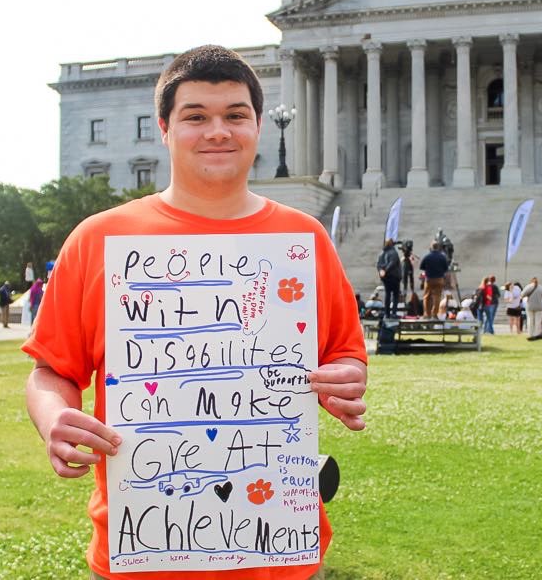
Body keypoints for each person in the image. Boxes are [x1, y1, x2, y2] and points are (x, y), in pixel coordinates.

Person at [22, 45, 367, 580]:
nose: (218, 132)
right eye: (195, 117)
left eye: (235, 115)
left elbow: (345, 353)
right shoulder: (97, 240)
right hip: (139, 552)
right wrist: (53, 420)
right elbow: (51, 371)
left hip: (280, 552)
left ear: (258, 124)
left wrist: (346, 379)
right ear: (164, 128)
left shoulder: (305, 240)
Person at [419, 242, 449, 319]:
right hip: (439, 279)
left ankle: (427, 314)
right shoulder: (442, 257)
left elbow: (422, 267)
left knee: (426, 296)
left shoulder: (427, 257)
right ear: (438, 247)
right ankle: (434, 314)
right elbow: (446, 268)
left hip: (429, 279)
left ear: (431, 247)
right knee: (437, 297)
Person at [376, 238, 402, 318]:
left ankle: (387, 313)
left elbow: (378, 264)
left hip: (385, 278)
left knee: (387, 294)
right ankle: (393, 312)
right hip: (393, 276)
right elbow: (392, 263)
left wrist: (381, 271)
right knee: (395, 295)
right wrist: (386, 270)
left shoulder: (382, 253)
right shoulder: (393, 253)